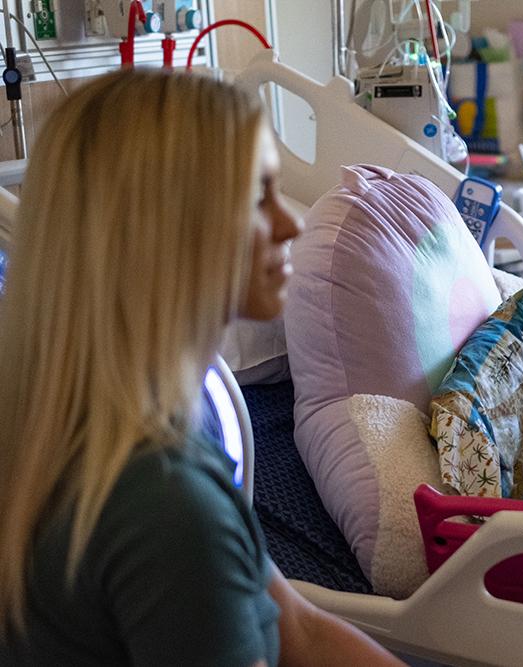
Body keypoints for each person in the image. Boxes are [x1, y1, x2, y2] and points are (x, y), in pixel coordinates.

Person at [0, 70, 402, 666]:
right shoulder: (165, 507)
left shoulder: (134, 427)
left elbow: (297, 626)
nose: (292, 224)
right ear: (168, 228)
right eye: (260, 197)